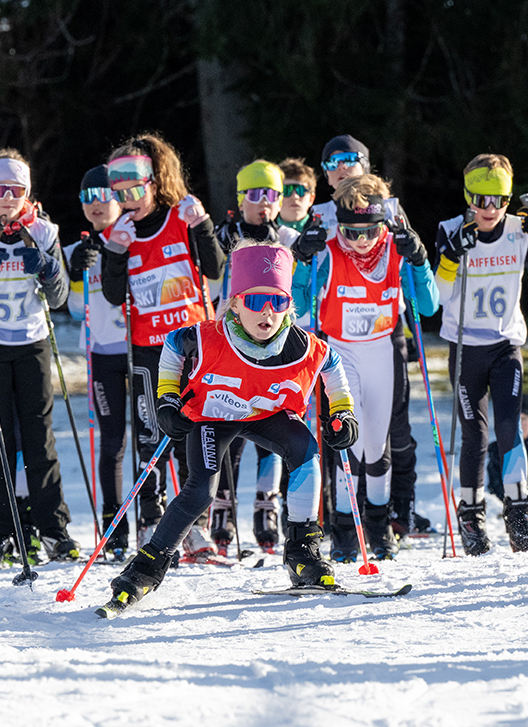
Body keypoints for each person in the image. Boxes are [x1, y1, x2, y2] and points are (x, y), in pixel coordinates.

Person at [104, 244, 356, 610]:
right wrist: (167, 399)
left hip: (266, 415)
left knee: (307, 453)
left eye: (278, 302)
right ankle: (143, 570)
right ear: (235, 303)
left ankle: (303, 554)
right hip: (212, 417)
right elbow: (172, 345)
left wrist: (343, 413)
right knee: (201, 491)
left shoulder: (301, 346)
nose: (267, 312)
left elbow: (332, 365)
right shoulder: (208, 337)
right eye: (255, 301)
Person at [293, 174, 439, 561]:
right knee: (346, 441)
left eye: (369, 231)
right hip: (340, 353)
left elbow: (428, 307)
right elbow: (295, 300)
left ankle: (378, 525)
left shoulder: (394, 247)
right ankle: (343, 529)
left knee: (377, 446)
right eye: (350, 232)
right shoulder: (326, 248)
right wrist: (302, 259)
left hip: (381, 351)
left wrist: (420, 261)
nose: (360, 241)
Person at [98, 135, 227, 549]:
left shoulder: (181, 218)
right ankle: (152, 521)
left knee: (195, 433)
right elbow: (113, 296)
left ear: (155, 181)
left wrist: (202, 225)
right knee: (150, 438)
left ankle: (194, 525)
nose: (128, 200)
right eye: (118, 193)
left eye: (135, 189)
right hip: (148, 351)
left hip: (192, 346)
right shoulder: (122, 233)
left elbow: (215, 269)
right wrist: (115, 252)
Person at [0, 150, 76, 564]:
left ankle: (53, 530)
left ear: (27, 193)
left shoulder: (43, 231)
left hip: (33, 342)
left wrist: (49, 269)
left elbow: (59, 298)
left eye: (16, 190)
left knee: (40, 439)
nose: (8, 198)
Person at [432, 154, 528, 553]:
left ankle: (519, 516)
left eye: (499, 201)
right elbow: (438, 296)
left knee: (510, 426)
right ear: (468, 196)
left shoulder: (520, 230)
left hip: (506, 345)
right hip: (466, 347)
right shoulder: (450, 229)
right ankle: (471, 518)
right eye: (480, 199)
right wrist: (452, 256)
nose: (489, 209)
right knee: (475, 434)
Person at [211, 159, 300, 553]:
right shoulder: (221, 235)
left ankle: (267, 508)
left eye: (271, 195)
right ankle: (221, 509)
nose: (263, 203)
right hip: (229, 342)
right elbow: (208, 274)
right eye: (254, 194)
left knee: (270, 423)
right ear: (240, 198)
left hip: (274, 346)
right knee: (229, 428)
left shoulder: (290, 238)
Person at [67, 166, 133, 557]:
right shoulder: (79, 248)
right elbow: (76, 310)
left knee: (154, 437)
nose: (95, 204)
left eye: (102, 195)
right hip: (102, 355)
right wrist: (77, 272)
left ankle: (157, 522)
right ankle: (114, 527)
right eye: (87, 197)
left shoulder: (136, 239)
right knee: (113, 442)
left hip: (142, 351)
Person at [277, 158, 317, 229]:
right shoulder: (264, 234)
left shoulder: (327, 232)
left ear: (311, 198)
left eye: (301, 190)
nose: (295, 196)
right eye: (287, 190)